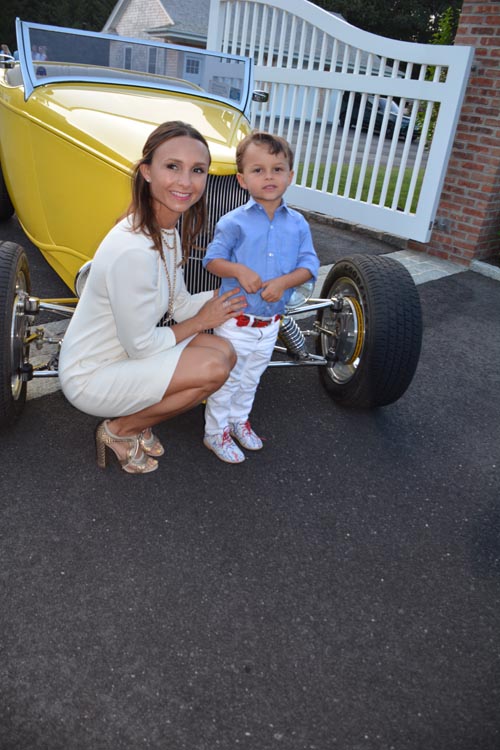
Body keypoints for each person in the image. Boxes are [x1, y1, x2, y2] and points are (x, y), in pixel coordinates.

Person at [58, 121, 246, 474]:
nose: (185, 182)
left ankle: (136, 418)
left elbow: (177, 303)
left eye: (197, 170)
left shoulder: (165, 229)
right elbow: (144, 345)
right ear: (146, 171)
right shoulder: (134, 249)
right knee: (213, 368)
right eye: (172, 166)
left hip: (123, 357)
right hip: (92, 375)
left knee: (225, 352)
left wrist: (230, 294)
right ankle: (119, 430)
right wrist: (203, 321)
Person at [202, 131, 320, 463]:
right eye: (258, 170)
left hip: (270, 323)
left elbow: (309, 264)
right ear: (242, 179)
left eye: (277, 169)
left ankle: (239, 422)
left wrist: (284, 282)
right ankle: (215, 432)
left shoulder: (298, 224)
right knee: (228, 379)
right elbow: (211, 260)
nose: (268, 177)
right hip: (237, 322)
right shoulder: (233, 222)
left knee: (252, 377)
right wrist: (239, 271)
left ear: (290, 176)